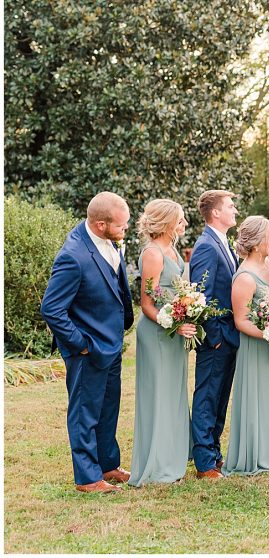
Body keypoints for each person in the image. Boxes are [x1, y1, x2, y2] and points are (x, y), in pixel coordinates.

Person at [41, 192, 134, 493]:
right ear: (100, 224)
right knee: (84, 413)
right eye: (120, 226)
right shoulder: (73, 255)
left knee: (108, 408)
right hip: (88, 350)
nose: (125, 230)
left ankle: (108, 464)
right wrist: (80, 344)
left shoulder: (108, 244)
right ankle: (87, 477)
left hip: (111, 344)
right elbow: (51, 308)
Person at [129, 199, 193, 486]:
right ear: (167, 222)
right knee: (158, 396)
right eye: (180, 219)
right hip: (157, 332)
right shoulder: (153, 254)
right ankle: (155, 465)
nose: (185, 224)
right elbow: (147, 304)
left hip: (173, 331)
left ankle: (172, 458)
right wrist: (174, 324)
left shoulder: (173, 250)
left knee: (174, 394)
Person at [224, 216, 269, 475]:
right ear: (255, 243)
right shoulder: (244, 278)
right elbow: (240, 321)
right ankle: (259, 454)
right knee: (260, 398)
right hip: (257, 347)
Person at [189, 189, 240, 479]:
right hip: (216, 337)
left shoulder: (224, 243)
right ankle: (205, 462)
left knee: (220, 398)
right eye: (230, 206)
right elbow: (201, 294)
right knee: (208, 397)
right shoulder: (207, 246)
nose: (235, 210)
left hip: (229, 335)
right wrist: (215, 335)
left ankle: (215, 454)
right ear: (216, 213)